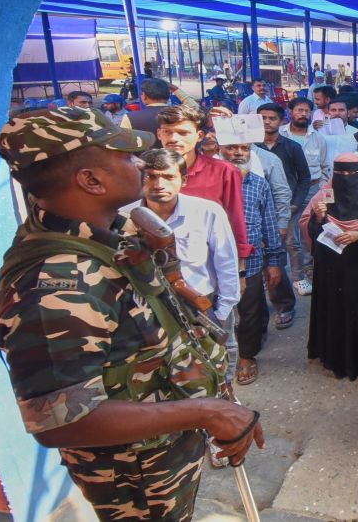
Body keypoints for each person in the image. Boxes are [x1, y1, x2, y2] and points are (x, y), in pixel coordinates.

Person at [0, 107, 262, 520]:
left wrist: (165, 262)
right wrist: (208, 412)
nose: (140, 163)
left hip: (163, 442)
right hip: (135, 475)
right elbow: (61, 421)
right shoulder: (57, 285)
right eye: (123, 155)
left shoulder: (104, 232)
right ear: (90, 180)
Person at [126, 149, 242, 376]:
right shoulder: (124, 215)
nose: (159, 183)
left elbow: (226, 261)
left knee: (217, 357)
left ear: (183, 180)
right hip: (148, 307)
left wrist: (223, 310)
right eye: (150, 176)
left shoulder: (207, 211)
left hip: (202, 303)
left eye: (168, 176)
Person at [301, 154, 358, 387]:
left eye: (352, 174)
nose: (345, 179)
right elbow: (308, 226)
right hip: (331, 269)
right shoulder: (325, 193)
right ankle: (336, 358)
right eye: (340, 174)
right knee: (334, 311)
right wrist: (319, 217)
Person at [223, 142, 286, 385]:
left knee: (250, 310)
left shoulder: (258, 183)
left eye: (244, 149)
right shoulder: (212, 183)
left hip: (250, 260)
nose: (238, 153)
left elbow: (269, 223)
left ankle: (247, 356)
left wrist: (274, 261)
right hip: (218, 260)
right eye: (231, 148)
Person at [156, 105, 252, 257]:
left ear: (199, 136)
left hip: (210, 260)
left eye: (183, 133)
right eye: (167, 132)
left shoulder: (224, 171)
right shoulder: (145, 172)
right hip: (160, 261)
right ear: (159, 134)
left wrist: (240, 267)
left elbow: (235, 220)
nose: (174, 139)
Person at [257, 103, 312, 309]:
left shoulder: (292, 147)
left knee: (292, 243)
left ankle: (298, 277)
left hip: (286, 206)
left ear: (281, 121)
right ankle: (264, 280)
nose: (267, 122)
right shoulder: (250, 148)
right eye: (263, 118)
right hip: (259, 206)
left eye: (272, 118)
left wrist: (296, 204)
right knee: (261, 245)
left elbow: (304, 178)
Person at [281, 98, 332, 296]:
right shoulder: (281, 135)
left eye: (306, 111)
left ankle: (310, 268)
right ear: (291, 112)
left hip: (313, 190)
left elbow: (325, 167)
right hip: (289, 191)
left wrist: (325, 194)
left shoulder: (318, 138)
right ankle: (298, 276)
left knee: (311, 231)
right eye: (299, 110)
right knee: (292, 236)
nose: (303, 114)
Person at [319, 96, 358, 173]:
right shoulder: (320, 131)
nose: (337, 113)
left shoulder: (357, 133)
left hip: (349, 176)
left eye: (341, 110)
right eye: (333, 110)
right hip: (324, 177)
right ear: (328, 113)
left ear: (348, 113)